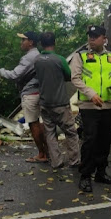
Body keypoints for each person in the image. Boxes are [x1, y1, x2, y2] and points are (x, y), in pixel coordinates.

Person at [71, 25, 111, 192]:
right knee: (90, 140)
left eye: (96, 36)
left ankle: (101, 172)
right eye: (90, 36)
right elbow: (75, 79)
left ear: (104, 39)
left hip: (107, 104)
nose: (92, 39)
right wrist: (91, 93)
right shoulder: (81, 56)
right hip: (89, 105)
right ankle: (85, 175)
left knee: (104, 141)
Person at [0, 31, 48, 163]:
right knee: (40, 123)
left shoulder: (29, 57)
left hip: (30, 94)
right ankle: (47, 152)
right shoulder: (39, 55)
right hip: (39, 93)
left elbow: (14, 75)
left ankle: (42, 154)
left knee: (33, 124)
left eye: (23, 40)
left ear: (30, 42)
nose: (21, 43)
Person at [34, 32, 80, 169]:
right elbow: (69, 76)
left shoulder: (37, 60)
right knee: (70, 131)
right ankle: (74, 161)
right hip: (60, 102)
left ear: (41, 44)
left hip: (44, 103)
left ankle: (56, 162)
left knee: (50, 133)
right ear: (54, 43)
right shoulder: (60, 60)